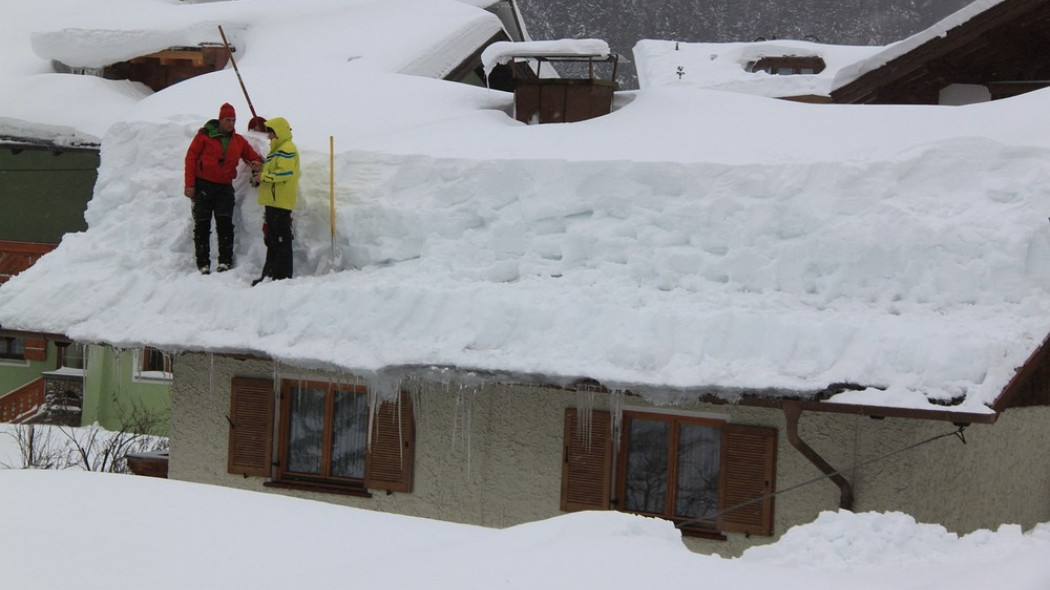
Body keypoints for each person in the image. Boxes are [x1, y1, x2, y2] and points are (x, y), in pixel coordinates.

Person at [184, 102, 263, 274]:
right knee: (202, 225)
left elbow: (251, 156)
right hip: (203, 185)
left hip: (224, 188)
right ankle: (203, 263)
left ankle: (225, 261)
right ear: (220, 120)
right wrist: (189, 184)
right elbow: (190, 158)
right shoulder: (204, 136)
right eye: (228, 120)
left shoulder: (238, 141)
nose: (231, 124)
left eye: (234, 120)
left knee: (225, 224)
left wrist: (258, 163)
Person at [251, 117, 300, 286]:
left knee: (281, 240)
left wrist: (263, 176)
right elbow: (275, 169)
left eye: (270, 132)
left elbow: (285, 173)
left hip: (280, 201)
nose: (268, 136)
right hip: (273, 201)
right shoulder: (277, 150)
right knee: (272, 240)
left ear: (278, 132)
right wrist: (261, 168)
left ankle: (282, 278)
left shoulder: (287, 148)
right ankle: (271, 274)